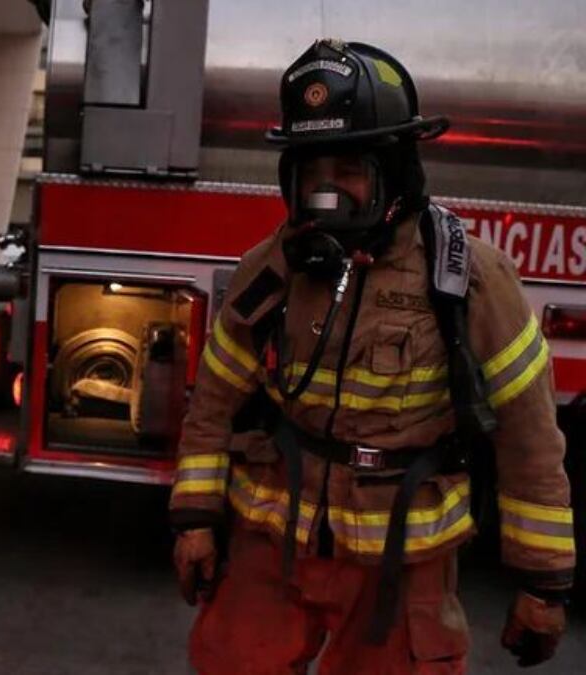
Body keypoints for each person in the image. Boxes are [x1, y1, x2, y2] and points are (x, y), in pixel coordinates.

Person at [170, 39, 573, 673]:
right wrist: (194, 519)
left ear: (397, 171)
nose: (327, 193)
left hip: (400, 559)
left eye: (349, 170)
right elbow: (213, 403)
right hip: (273, 542)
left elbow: (531, 440)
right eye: (312, 173)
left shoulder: (466, 279)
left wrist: (542, 585)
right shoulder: (274, 266)